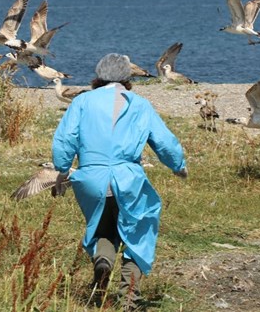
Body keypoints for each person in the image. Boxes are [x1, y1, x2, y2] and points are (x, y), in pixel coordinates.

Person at [52, 53, 188, 309]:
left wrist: (61, 170)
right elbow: (164, 142)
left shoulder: (81, 102)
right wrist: (178, 166)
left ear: (98, 76)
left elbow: (64, 139)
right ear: (127, 78)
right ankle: (129, 299)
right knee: (139, 231)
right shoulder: (139, 104)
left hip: (90, 178)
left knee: (103, 229)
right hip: (128, 178)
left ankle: (103, 263)